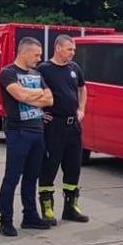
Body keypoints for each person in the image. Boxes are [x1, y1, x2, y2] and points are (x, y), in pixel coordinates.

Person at [0, 37, 52, 236]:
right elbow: (20, 96)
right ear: (24, 52)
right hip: (18, 130)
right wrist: (37, 95)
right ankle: (6, 221)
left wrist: (32, 95)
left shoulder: (37, 73)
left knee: (32, 176)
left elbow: (50, 98)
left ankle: (30, 216)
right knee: (12, 177)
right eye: (36, 54)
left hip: (37, 130)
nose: (39, 59)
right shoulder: (8, 73)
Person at [32, 35, 89, 223]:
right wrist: (39, 111)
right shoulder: (43, 69)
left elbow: (82, 88)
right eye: (69, 49)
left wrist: (81, 109)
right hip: (53, 125)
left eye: (73, 50)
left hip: (73, 125)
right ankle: (47, 208)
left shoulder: (74, 68)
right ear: (58, 48)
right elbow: (32, 91)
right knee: (49, 167)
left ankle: (71, 207)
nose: (72, 53)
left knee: (73, 167)